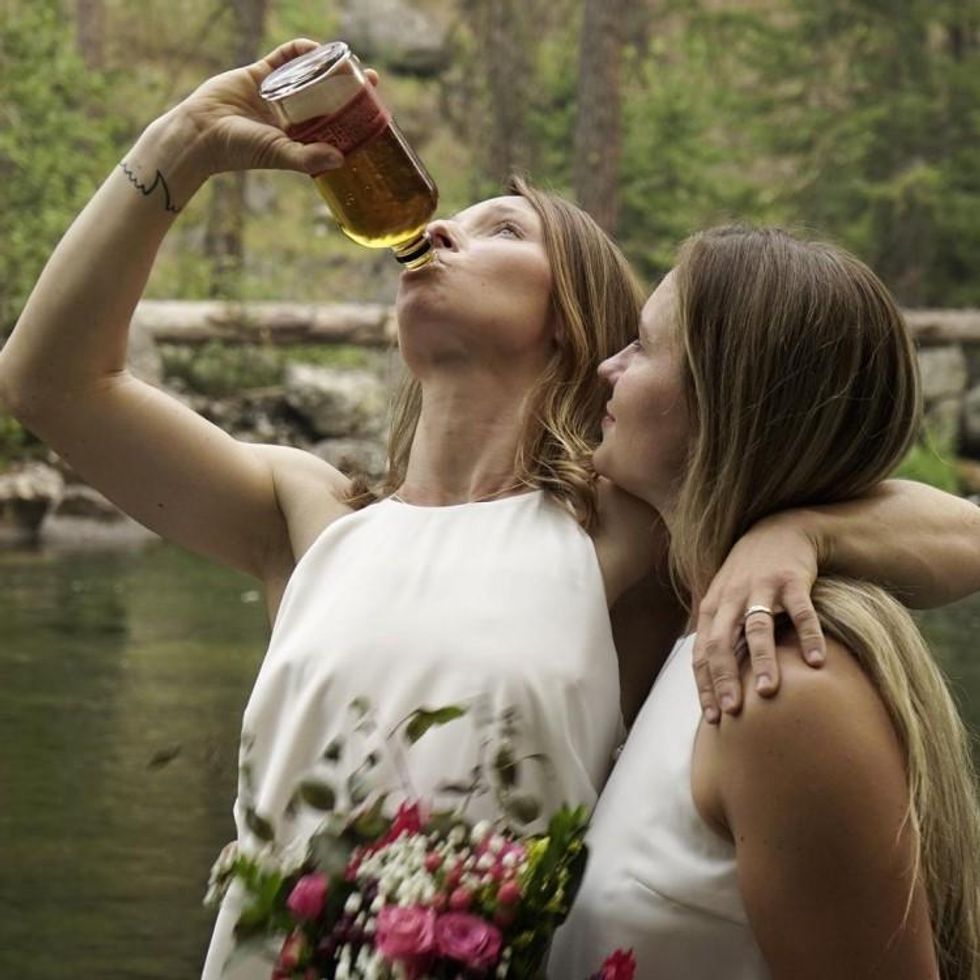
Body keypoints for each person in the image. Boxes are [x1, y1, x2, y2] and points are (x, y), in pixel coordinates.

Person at [1, 39, 977, 978]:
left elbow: (954, 530)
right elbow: (50, 381)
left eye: (499, 229)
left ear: (572, 320)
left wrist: (798, 529)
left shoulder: (620, 529)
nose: (438, 231)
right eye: (450, 220)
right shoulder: (311, 518)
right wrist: (185, 143)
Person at [547, 227, 980, 980]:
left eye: (643, 347)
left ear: (724, 402)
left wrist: (804, 528)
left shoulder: (783, 691)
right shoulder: (690, 618)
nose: (609, 368)